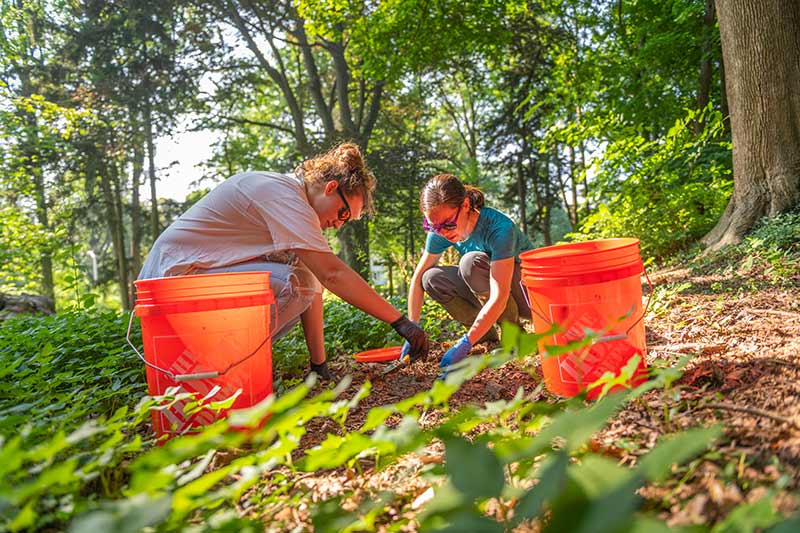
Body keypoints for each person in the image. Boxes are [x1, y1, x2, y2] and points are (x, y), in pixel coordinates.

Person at [138, 143, 429, 380]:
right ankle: (220, 369)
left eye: (347, 221)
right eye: (342, 213)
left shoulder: (293, 204)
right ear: (330, 188)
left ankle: (224, 365)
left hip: (193, 281)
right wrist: (401, 322)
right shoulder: (283, 196)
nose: (339, 225)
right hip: (172, 283)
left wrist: (319, 367)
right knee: (298, 281)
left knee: (304, 276)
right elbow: (332, 275)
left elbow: (317, 282)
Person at [404, 173, 533, 370]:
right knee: (430, 278)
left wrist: (464, 342)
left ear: (465, 205)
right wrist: (411, 329)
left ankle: (513, 337)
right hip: (492, 291)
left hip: (527, 295)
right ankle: (486, 339)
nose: (442, 233)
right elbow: (418, 277)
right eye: (433, 226)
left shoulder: (499, 228)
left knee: (470, 263)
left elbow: (499, 296)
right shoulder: (441, 230)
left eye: (447, 224)